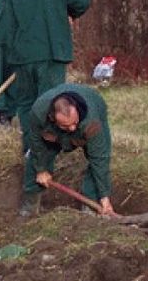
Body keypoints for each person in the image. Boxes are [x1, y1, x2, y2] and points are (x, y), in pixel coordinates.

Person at [0, 0, 92, 122]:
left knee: (26, 104)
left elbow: (9, 31)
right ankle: (46, 147)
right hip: (53, 55)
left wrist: (13, 58)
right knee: (51, 102)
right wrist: (70, 12)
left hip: (23, 59)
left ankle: (30, 147)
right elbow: (84, 2)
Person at [19, 83, 115, 218]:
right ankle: (30, 207)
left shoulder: (91, 121)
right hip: (51, 129)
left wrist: (104, 197)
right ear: (53, 117)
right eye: (66, 125)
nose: (72, 129)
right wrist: (41, 170)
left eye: (74, 123)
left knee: (99, 157)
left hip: (93, 106)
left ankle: (91, 206)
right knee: (35, 158)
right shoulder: (39, 113)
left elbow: (99, 159)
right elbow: (36, 144)